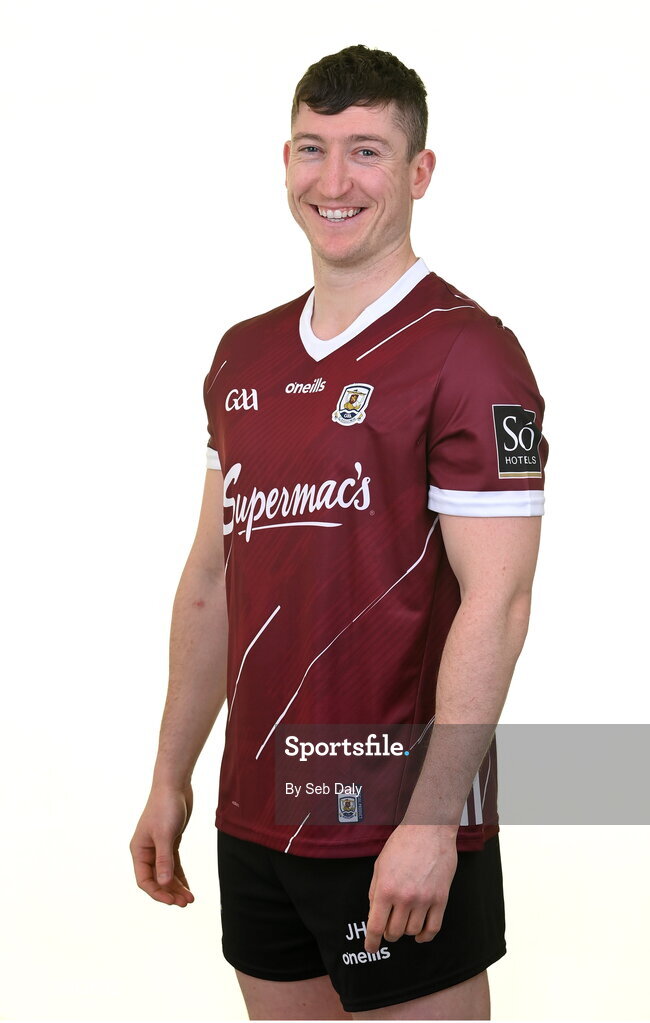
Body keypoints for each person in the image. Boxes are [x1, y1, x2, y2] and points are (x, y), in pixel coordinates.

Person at [130, 44, 548, 1021]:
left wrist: (433, 819)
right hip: (254, 814)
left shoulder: (468, 354)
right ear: (284, 163)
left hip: (392, 815)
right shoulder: (243, 353)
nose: (333, 180)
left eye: (364, 151)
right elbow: (210, 580)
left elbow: (498, 598)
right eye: (311, 150)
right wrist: (169, 778)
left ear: (417, 172)